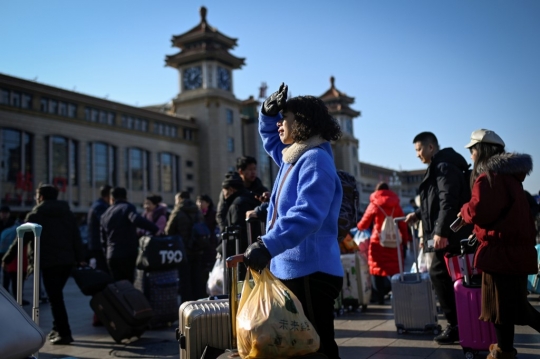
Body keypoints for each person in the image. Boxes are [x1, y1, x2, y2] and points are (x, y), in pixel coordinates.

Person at [243, 83, 344, 359]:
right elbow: (272, 141)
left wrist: (268, 244)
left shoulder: (314, 160)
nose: (279, 124)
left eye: (284, 118)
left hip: (312, 271)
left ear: (301, 123)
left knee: (317, 348)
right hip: (296, 269)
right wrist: (266, 112)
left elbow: (307, 215)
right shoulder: (294, 157)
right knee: (300, 348)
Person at [457, 129, 540, 359]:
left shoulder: (489, 177)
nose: (471, 155)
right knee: (503, 310)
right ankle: (504, 350)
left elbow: (478, 209)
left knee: (511, 309)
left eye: (472, 150)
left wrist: (464, 212)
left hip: (501, 253)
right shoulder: (510, 178)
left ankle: (504, 352)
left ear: (481, 150)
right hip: (513, 252)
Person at [405, 131, 472, 344]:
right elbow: (434, 202)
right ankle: (460, 323)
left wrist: (441, 232)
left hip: (450, 233)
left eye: (419, 149)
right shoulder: (439, 166)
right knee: (448, 276)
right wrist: (417, 215)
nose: (417, 154)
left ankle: (456, 326)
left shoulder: (443, 167)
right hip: (449, 231)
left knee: (438, 273)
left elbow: (448, 201)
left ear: (430, 147)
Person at [3, 184, 86, 345]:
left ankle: (65, 333)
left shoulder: (36, 215)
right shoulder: (67, 213)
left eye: (36, 195)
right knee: (56, 296)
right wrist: (80, 258)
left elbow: (21, 239)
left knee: (55, 299)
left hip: (49, 263)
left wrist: (6, 259)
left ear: (41, 197)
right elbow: (76, 237)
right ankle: (58, 328)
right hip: (67, 262)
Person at [356, 182, 411, 304]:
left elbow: (363, 224)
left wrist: (356, 227)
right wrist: (405, 241)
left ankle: (380, 298)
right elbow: (403, 225)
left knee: (376, 270)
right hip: (394, 242)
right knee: (395, 270)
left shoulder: (374, 204)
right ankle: (397, 296)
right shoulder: (396, 204)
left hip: (378, 243)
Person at [100, 187, 158, 283]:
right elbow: (136, 219)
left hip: (111, 255)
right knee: (128, 285)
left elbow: (103, 240)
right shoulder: (127, 207)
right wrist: (156, 229)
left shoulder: (105, 214)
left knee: (117, 286)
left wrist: (107, 254)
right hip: (127, 254)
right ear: (126, 197)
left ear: (112, 199)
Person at [165, 191, 206, 301]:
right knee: (197, 278)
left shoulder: (178, 211)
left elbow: (168, 230)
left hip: (183, 250)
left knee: (185, 279)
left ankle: (187, 305)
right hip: (198, 248)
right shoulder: (197, 210)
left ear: (180, 199)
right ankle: (200, 302)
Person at [220, 171, 260, 278]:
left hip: (243, 256)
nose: (224, 196)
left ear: (231, 190)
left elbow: (237, 233)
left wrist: (221, 250)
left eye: (224, 192)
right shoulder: (251, 198)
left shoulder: (236, 205)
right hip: (256, 252)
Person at [216, 156, 269, 233]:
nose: (253, 172)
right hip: (235, 233)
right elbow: (220, 214)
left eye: (254, 169)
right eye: (250, 169)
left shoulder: (261, 190)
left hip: (257, 232)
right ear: (241, 171)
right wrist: (226, 232)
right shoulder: (231, 190)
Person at [196, 194, 218, 294]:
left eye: (202, 202)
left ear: (208, 203)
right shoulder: (196, 215)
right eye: (198, 202)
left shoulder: (213, 214)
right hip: (200, 246)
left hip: (211, 246)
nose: (199, 204)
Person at [86, 185, 111, 272]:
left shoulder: (98, 204)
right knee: (102, 269)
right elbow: (105, 222)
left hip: (97, 244)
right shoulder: (100, 206)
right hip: (99, 245)